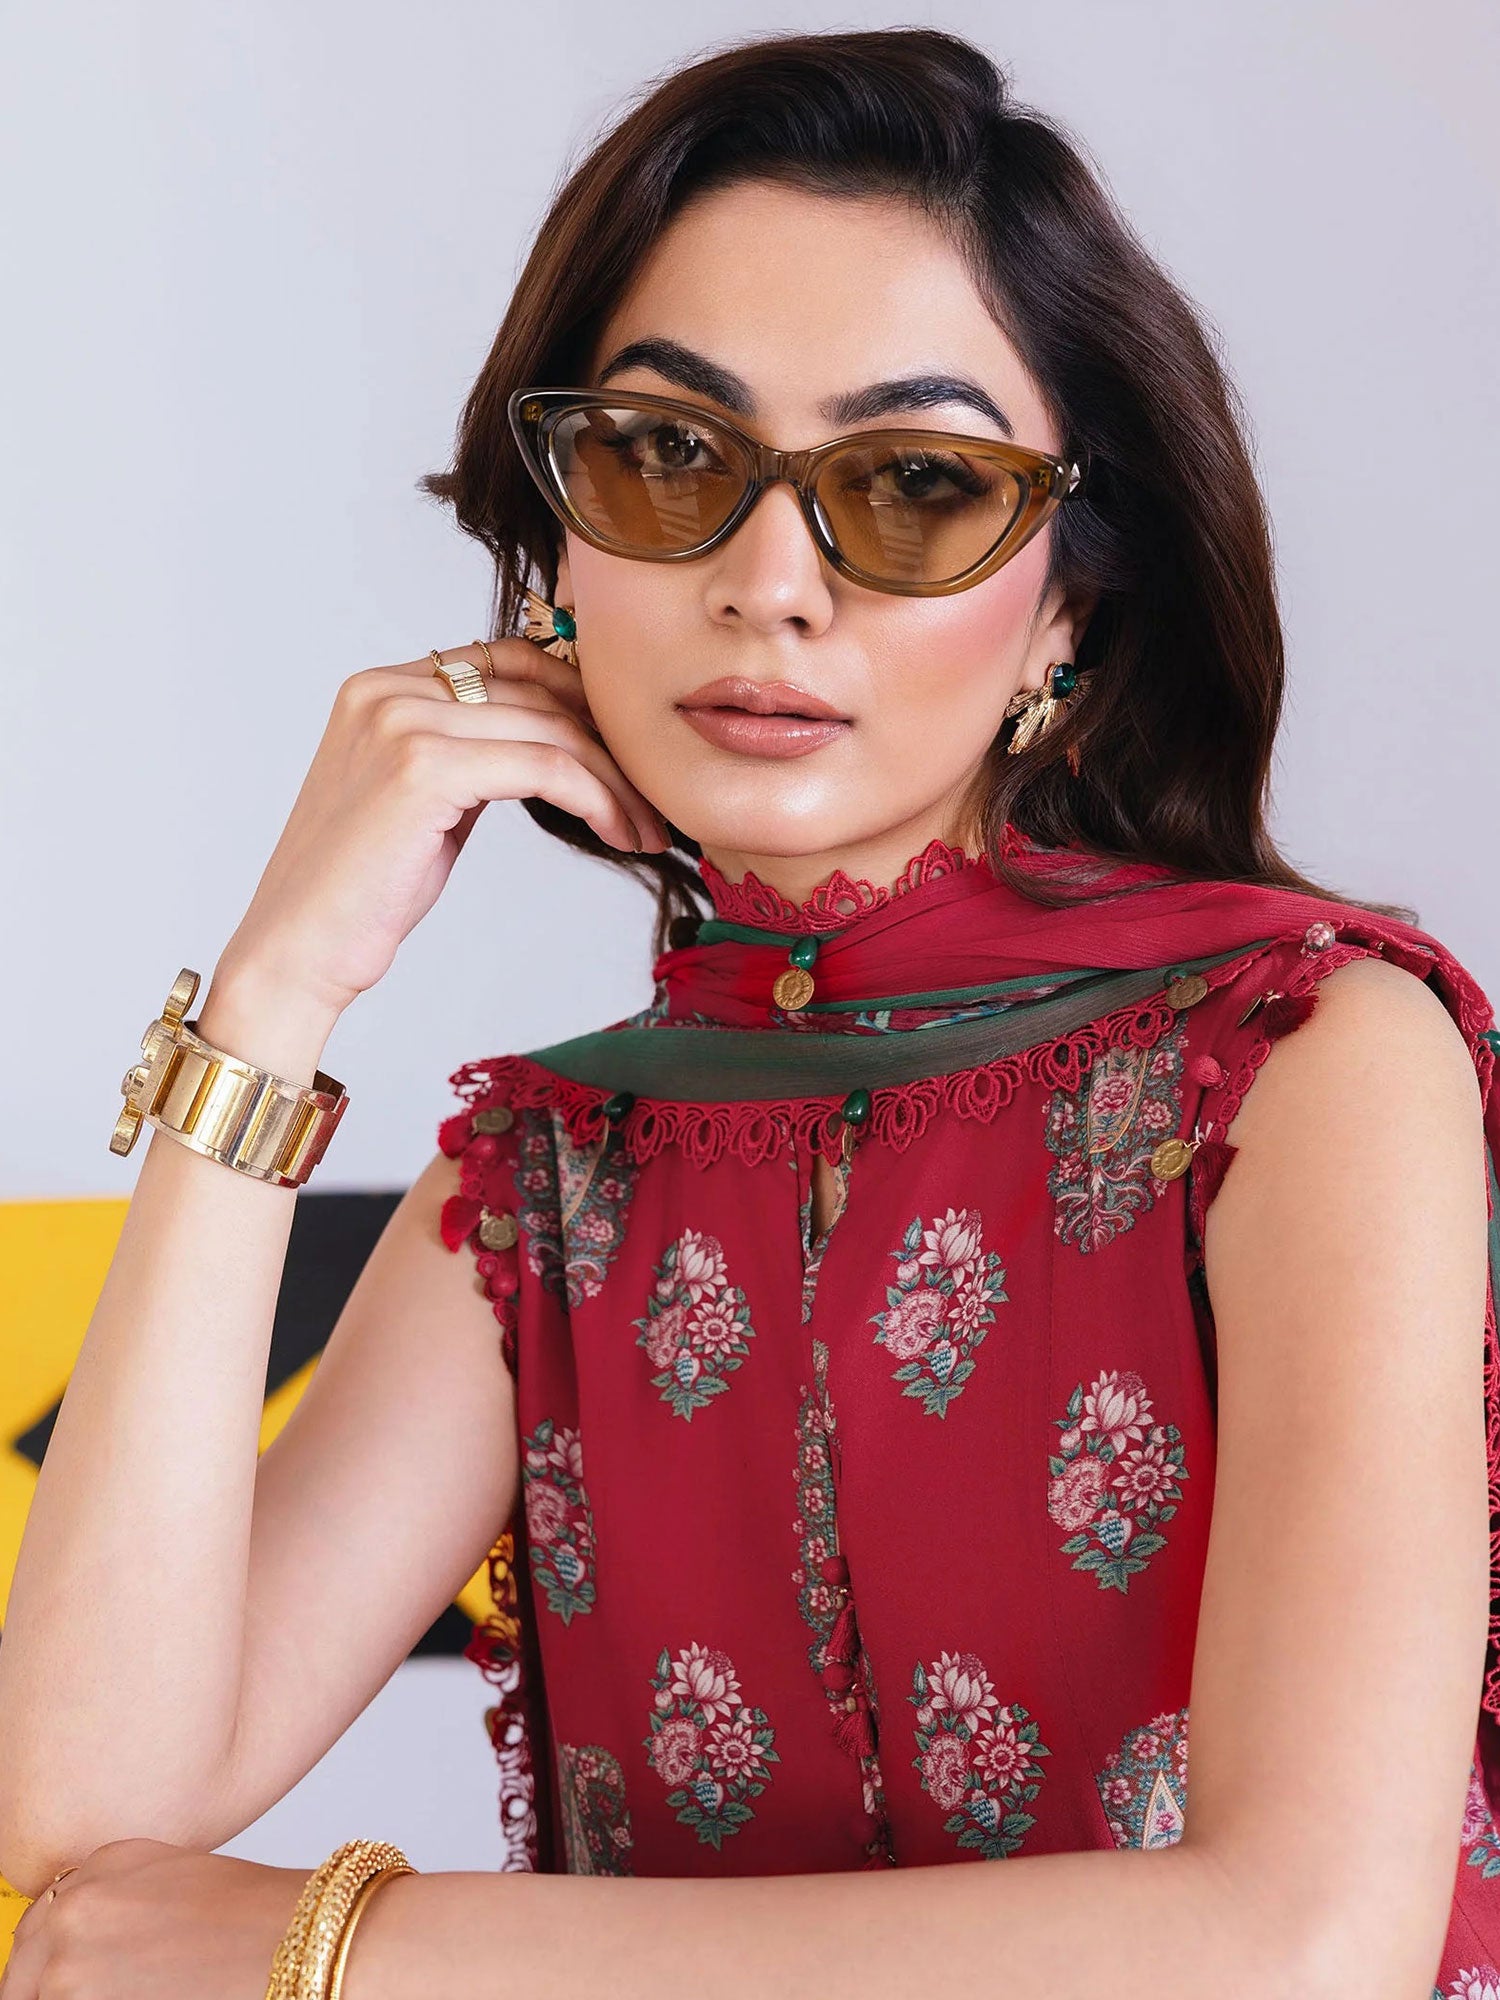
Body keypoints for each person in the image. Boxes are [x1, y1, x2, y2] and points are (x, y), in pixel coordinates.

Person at [0, 24, 1496, 2000]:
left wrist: (354, 1948)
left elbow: (1302, 1947)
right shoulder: (556, 1174)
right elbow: (82, 1824)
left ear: (1068, 607)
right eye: (668, 456)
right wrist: (277, 992)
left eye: (918, 483)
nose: (771, 582)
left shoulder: (1305, 1063)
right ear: (555, 549)